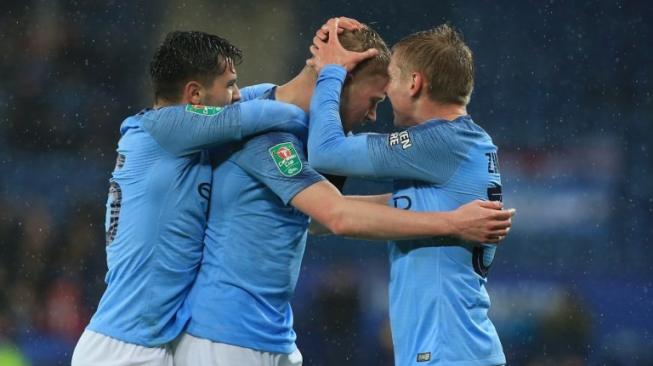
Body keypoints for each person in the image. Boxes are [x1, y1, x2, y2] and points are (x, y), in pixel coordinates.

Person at [173, 20, 513, 366]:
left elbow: (326, 198)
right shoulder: (260, 125)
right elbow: (331, 214)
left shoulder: (444, 141)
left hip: (444, 351)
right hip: (226, 337)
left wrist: (452, 222)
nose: (373, 114)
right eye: (374, 97)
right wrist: (451, 222)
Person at [71, 30, 311, 366]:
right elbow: (271, 114)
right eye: (229, 85)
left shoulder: (177, 133)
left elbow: (258, 102)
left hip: (153, 343)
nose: (238, 95)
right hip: (122, 349)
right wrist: (320, 120)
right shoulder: (166, 129)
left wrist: (313, 71)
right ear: (195, 94)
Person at [307, 19, 508, 365]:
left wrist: (330, 72)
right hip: (458, 350)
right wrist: (318, 208)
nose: (386, 90)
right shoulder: (462, 146)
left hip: (450, 353)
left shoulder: (442, 142)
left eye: (393, 77)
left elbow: (326, 150)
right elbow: (385, 212)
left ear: (415, 83)